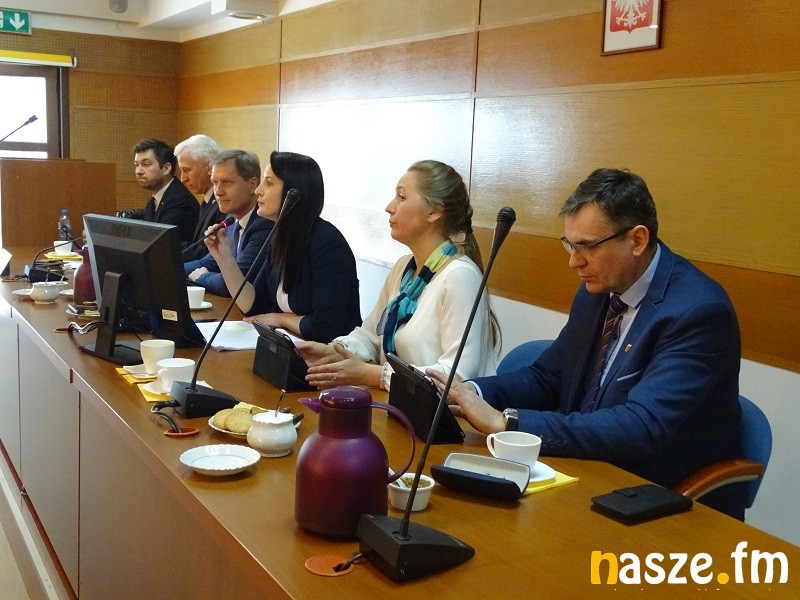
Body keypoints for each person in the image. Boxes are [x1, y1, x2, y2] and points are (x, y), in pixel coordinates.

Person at [428, 168, 745, 518]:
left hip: (664, 501)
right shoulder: (598, 290)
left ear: (637, 240)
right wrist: (468, 393)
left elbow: (641, 426)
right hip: (588, 475)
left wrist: (508, 424)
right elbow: (549, 377)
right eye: (570, 245)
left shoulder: (697, 312)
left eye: (587, 246)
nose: (573, 261)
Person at [298, 160, 498, 391]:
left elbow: (454, 377)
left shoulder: (460, 277)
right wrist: (333, 352)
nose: (389, 207)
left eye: (401, 197)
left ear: (434, 211)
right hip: (400, 403)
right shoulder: (404, 268)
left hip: (446, 412)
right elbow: (371, 336)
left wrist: (372, 375)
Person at [203, 150, 361, 342]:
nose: (258, 190)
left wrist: (280, 319)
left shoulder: (326, 242)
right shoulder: (281, 236)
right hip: (291, 345)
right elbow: (253, 306)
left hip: (328, 353)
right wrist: (224, 258)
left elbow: (325, 326)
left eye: (269, 183)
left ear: (294, 193)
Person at [184, 150, 271, 297]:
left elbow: (235, 284)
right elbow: (208, 263)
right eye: (215, 183)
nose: (218, 192)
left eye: (227, 182)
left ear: (252, 185)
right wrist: (168, 271)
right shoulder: (231, 219)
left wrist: (201, 277)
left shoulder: (265, 224)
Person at [129, 139, 198, 245]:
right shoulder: (155, 199)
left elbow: (161, 245)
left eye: (146, 164)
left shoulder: (180, 202)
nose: (139, 171)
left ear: (166, 168)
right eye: (136, 165)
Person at [175, 134, 226, 262]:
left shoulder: (223, 203)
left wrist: (167, 246)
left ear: (209, 168)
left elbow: (207, 253)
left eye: (186, 170)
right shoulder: (207, 201)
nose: (183, 178)